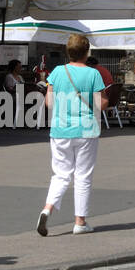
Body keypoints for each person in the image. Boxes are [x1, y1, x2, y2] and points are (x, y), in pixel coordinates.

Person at [37, 34, 102, 236]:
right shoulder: (93, 74)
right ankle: (80, 222)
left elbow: (49, 103)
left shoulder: (56, 72)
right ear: (87, 52)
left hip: (60, 130)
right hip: (86, 129)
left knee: (60, 174)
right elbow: (101, 104)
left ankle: (47, 208)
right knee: (82, 176)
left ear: (68, 52)